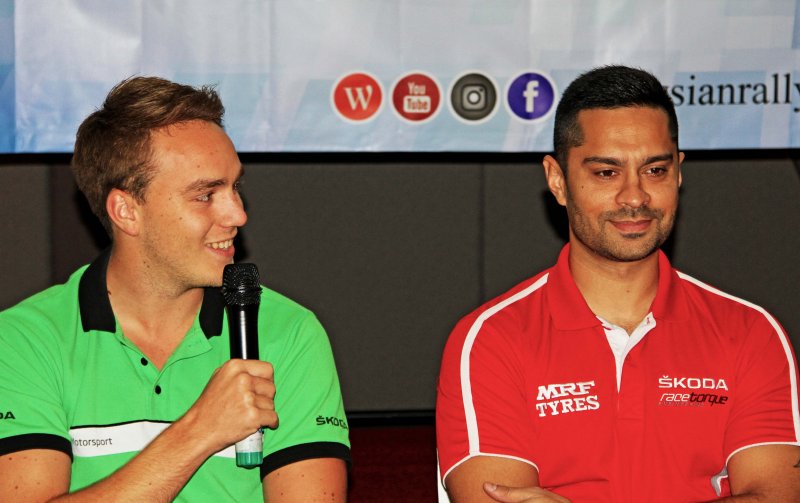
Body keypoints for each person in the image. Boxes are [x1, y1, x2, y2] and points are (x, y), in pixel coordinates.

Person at [436, 65, 800, 502]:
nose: (634, 196)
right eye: (606, 173)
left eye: (655, 170)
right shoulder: (491, 339)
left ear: (678, 173)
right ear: (557, 180)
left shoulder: (751, 332)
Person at [0, 77, 350, 501]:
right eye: (206, 195)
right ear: (126, 211)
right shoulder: (24, 339)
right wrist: (200, 429)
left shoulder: (288, 333)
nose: (237, 213)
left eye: (235, 187)